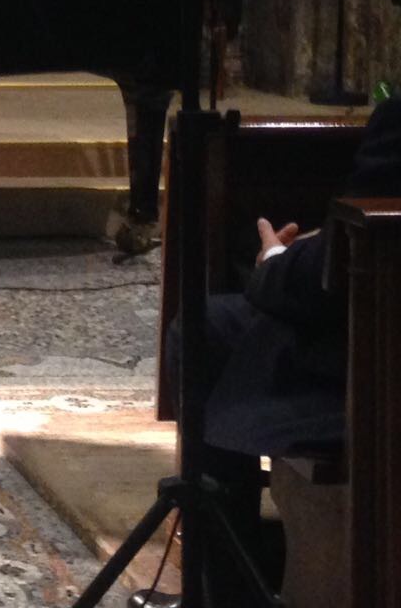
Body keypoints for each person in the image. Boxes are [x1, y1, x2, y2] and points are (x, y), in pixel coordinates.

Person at [132, 95, 401, 608]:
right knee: (222, 325)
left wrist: (276, 261)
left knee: (205, 330)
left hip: (375, 363)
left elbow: (348, 266)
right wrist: (323, 242)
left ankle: (226, 592)